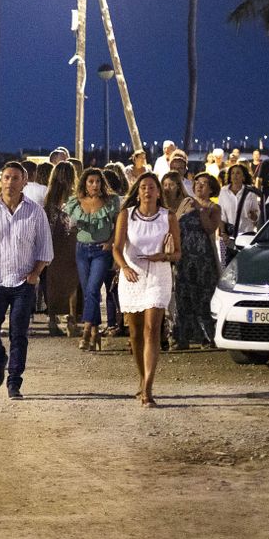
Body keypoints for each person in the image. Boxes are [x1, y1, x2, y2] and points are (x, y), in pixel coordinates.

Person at [0, 162, 53, 400]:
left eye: (15, 178)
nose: (10, 182)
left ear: (24, 182)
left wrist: (34, 275)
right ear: (1, 180)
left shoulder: (35, 212)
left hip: (23, 284)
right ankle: (0, 359)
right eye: (6, 177)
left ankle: (14, 382)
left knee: (19, 334)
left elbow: (45, 249)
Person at [115, 173, 181, 407]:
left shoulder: (168, 216)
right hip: (132, 275)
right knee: (135, 333)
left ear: (158, 192)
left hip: (158, 275)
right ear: (138, 190)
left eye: (152, 187)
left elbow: (177, 253)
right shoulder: (127, 215)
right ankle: (142, 378)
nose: (147, 191)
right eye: (143, 187)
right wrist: (124, 267)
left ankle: (148, 390)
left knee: (153, 328)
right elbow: (116, 247)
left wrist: (162, 256)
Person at [66, 168, 120, 352]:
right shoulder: (75, 202)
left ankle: (87, 331)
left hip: (101, 250)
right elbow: (71, 226)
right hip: (82, 249)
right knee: (89, 292)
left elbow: (119, 225)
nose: (94, 185)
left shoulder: (111, 202)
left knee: (92, 289)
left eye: (97, 181)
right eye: (91, 181)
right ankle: (96, 330)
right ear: (84, 184)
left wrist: (111, 242)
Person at [174, 173, 222, 350]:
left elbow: (210, 228)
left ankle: (207, 337)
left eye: (204, 184)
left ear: (211, 188)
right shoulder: (185, 203)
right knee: (184, 297)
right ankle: (183, 337)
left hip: (204, 260)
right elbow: (174, 224)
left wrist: (200, 210)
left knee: (204, 298)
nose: (200, 186)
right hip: (185, 259)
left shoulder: (214, 208)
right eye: (197, 183)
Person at [41, 161, 81, 338]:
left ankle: (52, 319)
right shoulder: (76, 197)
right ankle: (71, 320)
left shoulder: (49, 198)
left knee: (53, 280)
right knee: (73, 280)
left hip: (53, 242)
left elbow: (46, 223)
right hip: (72, 240)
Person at [218, 162, 261, 259]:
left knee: (245, 266)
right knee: (228, 268)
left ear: (243, 177)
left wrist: (253, 215)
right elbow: (221, 215)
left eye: (238, 173)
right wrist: (223, 233)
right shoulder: (223, 192)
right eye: (232, 173)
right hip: (228, 238)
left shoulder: (251, 192)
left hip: (246, 236)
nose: (234, 176)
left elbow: (257, 215)